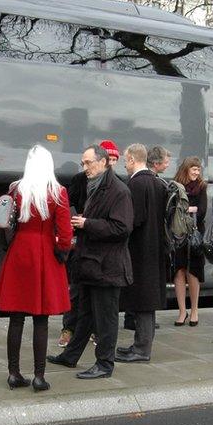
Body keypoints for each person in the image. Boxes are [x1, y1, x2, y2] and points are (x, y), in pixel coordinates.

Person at [47, 144, 133, 379]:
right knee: (84, 314)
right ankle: (71, 356)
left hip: (108, 267)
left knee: (106, 319)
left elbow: (122, 228)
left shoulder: (119, 191)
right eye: (83, 163)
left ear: (103, 162)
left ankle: (105, 364)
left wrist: (87, 224)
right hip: (91, 264)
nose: (84, 167)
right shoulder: (92, 186)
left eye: (88, 163)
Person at [0, 145, 72, 391]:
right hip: (45, 252)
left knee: (16, 318)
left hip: (19, 251)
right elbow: (66, 233)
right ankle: (39, 376)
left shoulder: (16, 189)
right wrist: (63, 252)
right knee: (41, 319)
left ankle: (13, 373)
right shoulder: (58, 192)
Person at [59, 138, 121, 346]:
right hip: (82, 244)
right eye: (110, 157)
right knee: (77, 292)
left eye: (114, 159)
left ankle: (94, 335)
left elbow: (120, 225)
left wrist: (89, 223)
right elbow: (67, 204)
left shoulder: (117, 187)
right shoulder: (80, 180)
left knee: (96, 299)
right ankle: (69, 329)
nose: (112, 162)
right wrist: (75, 221)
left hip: (99, 249)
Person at [117, 144, 168, 362]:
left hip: (140, 250)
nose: (124, 164)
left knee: (143, 301)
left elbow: (134, 219)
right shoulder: (157, 183)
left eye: (125, 160)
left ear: (131, 159)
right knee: (146, 300)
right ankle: (139, 345)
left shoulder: (136, 183)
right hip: (155, 249)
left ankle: (141, 349)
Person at [171, 156, 207, 327]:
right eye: (193, 168)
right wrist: (189, 209)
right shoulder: (175, 186)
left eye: (198, 169)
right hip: (178, 234)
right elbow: (172, 209)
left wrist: (186, 210)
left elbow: (202, 212)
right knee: (179, 272)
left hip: (195, 235)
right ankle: (181, 311)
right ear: (186, 169)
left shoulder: (201, 187)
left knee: (193, 272)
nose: (196, 172)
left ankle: (194, 311)